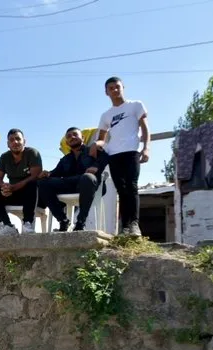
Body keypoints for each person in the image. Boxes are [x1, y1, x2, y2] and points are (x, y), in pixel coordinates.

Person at [93, 76, 150, 236]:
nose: (115, 90)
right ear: (106, 92)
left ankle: (134, 225)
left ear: (123, 87)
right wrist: (96, 144)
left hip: (131, 151)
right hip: (113, 155)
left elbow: (145, 128)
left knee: (132, 186)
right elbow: (101, 138)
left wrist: (146, 148)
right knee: (121, 190)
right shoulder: (106, 115)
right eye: (111, 88)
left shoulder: (135, 105)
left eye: (117, 87)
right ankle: (125, 227)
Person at [38, 127, 108, 231]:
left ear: (83, 138)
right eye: (69, 136)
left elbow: (106, 157)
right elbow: (55, 173)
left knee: (87, 177)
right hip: (70, 184)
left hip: (90, 185)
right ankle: (63, 220)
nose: (72, 137)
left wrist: (96, 166)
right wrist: (47, 174)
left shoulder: (92, 150)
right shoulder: (65, 159)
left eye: (75, 134)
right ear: (67, 142)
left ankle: (80, 222)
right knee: (43, 183)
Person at [0, 128, 42, 235]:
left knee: (32, 184)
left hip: (32, 196)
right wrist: (4, 187)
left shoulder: (32, 153)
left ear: (24, 141)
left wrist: (13, 187)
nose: (15, 142)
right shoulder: (4, 157)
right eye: (11, 140)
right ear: (8, 144)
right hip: (12, 193)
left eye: (18, 139)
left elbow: (35, 176)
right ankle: (7, 224)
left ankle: (27, 223)